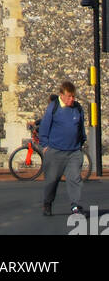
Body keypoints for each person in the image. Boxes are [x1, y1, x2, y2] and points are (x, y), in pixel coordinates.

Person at [38, 80, 88, 218]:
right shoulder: (53, 108)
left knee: (75, 179)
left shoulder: (77, 108)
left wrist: (81, 143)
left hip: (74, 151)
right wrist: (46, 146)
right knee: (52, 181)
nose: (71, 99)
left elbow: (81, 128)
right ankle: (47, 203)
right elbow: (44, 127)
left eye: (73, 96)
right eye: (69, 96)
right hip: (55, 151)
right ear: (61, 95)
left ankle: (75, 206)